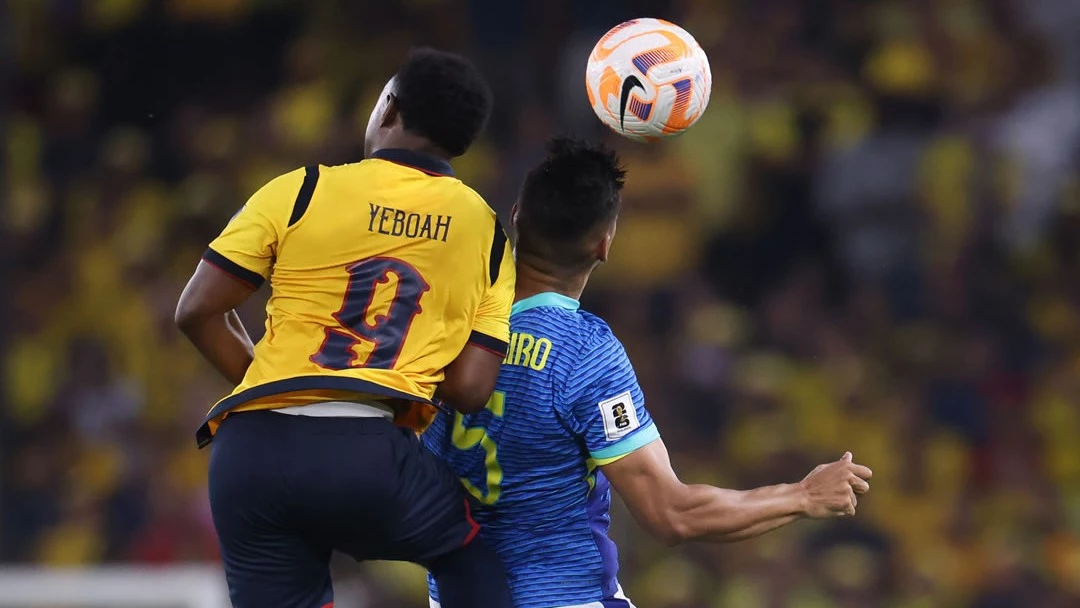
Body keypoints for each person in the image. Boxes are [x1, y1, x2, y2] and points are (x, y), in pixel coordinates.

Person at [422, 136, 874, 608]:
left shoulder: (447, 324)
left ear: (516, 216)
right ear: (604, 243)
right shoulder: (584, 352)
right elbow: (671, 514)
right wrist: (802, 495)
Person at [175, 48, 514, 608]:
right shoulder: (484, 228)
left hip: (250, 457)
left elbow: (196, 310)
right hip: (367, 456)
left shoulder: (301, 188)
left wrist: (272, 385)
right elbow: (472, 389)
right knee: (471, 555)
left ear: (389, 109)